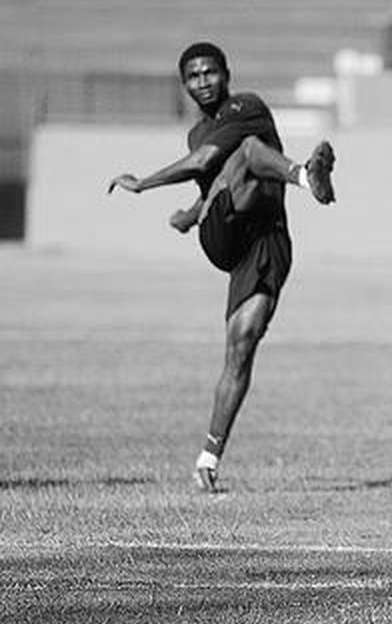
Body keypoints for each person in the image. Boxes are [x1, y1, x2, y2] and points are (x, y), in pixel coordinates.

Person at [108, 41, 335, 492]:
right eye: (192, 76)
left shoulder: (246, 106)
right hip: (225, 235)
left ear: (225, 73)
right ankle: (306, 177)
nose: (202, 82)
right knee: (248, 151)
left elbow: (216, 168)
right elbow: (210, 171)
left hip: (266, 239)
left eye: (209, 72)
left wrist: (176, 205)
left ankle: (207, 458)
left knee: (242, 344)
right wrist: (174, 205)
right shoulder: (197, 136)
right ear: (184, 84)